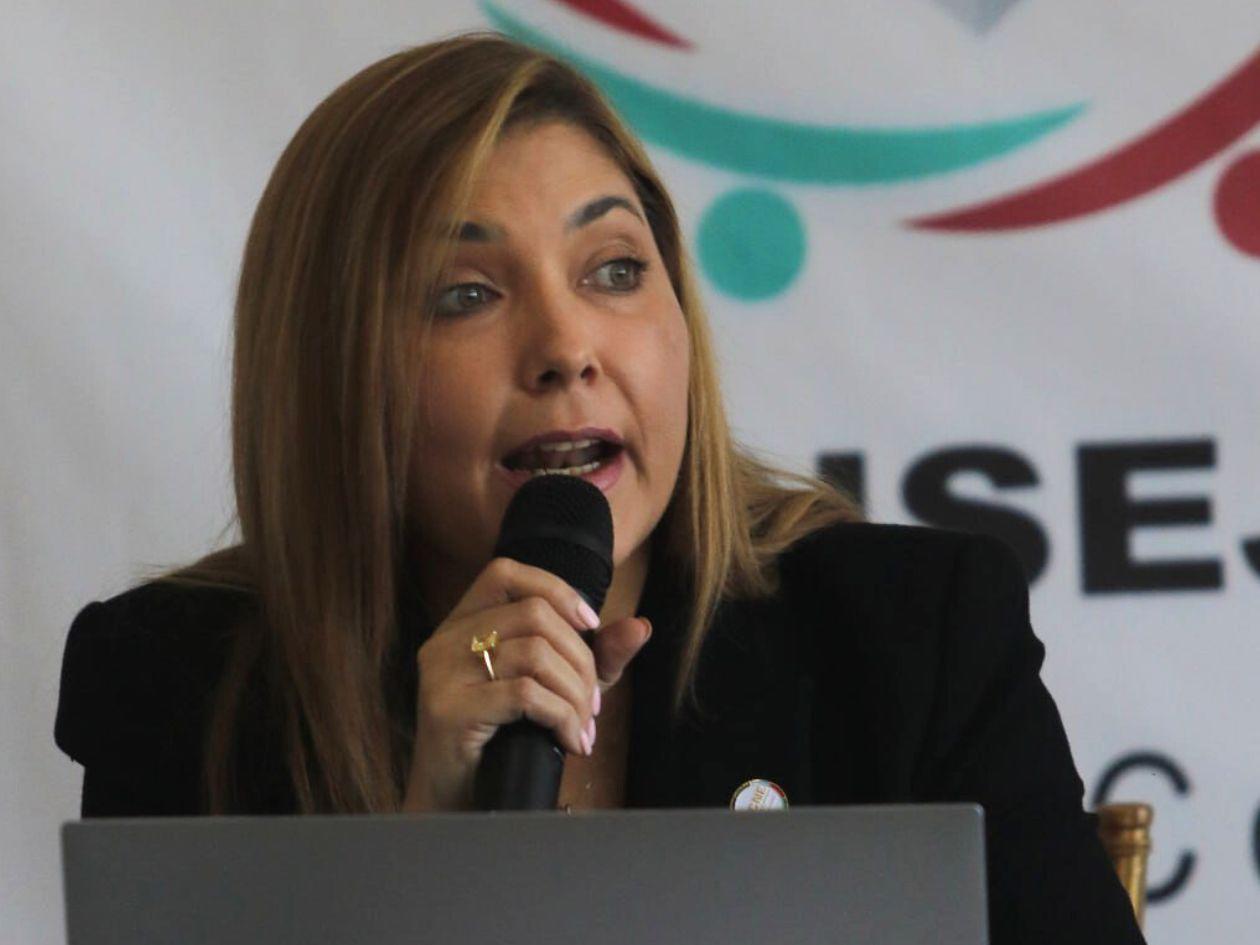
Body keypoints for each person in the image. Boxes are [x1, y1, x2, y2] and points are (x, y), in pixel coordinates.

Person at [54, 30, 1145, 943]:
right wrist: (424, 852)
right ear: (331, 371)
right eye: (466, 293)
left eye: (615, 270)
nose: (567, 348)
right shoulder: (178, 687)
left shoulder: (908, 636)